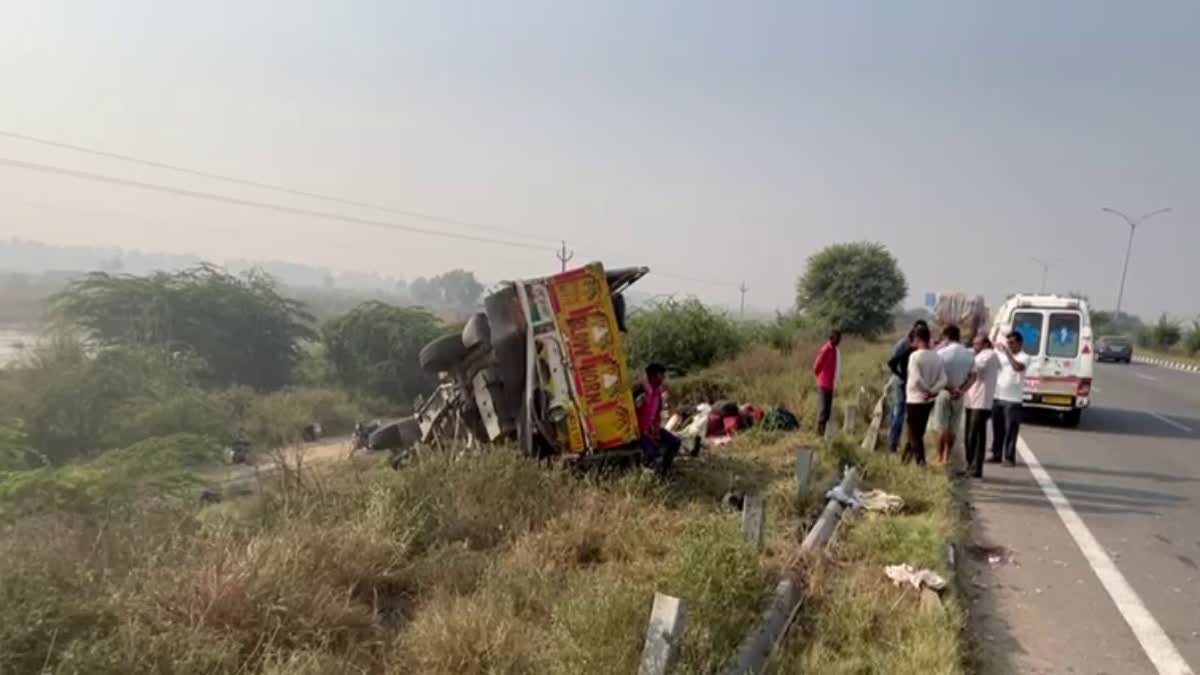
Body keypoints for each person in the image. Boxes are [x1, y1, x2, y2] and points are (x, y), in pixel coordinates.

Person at [931, 325, 976, 466]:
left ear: (946, 336)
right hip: (959, 394)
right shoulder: (969, 354)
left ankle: (939, 458)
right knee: (953, 428)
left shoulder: (942, 353)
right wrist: (962, 390)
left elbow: (936, 375)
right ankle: (947, 455)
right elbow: (973, 376)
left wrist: (949, 388)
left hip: (944, 392)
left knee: (941, 427)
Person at [903, 324, 946, 465]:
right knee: (917, 431)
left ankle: (921, 462)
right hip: (928, 401)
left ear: (917, 338)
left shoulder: (915, 356)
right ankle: (904, 459)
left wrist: (926, 389)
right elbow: (943, 379)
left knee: (915, 434)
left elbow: (915, 378)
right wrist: (932, 391)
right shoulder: (937, 357)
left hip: (915, 398)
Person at [887, 320, 928, 453]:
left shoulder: (918, 347)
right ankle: (894, 444)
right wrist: (901, 376)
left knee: (907, 415)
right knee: (899, 412)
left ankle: (906, 445)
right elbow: (893, 362)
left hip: (912, 383)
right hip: (903, 383)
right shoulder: (905, 345)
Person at [963, 336, 1001, 478]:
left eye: (977, 344)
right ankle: (970, 465)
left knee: (976, 436)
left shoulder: (989, 355)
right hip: (972, 400)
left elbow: (975, 368)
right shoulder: (979, 355)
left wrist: (964, 358)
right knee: (969, 435)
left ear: (986, 344)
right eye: (973, 344)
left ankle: (976, 467)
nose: (974, 346)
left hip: (981, 402)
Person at [991, 331, 1029, 467]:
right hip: (998, 396)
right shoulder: (1001, 356)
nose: (1010, 345)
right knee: (997, 429)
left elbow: (1017, 367)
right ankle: (996, 455)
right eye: (1008, 342)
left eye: (1012, 342)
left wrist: (1007, 353)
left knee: (1011, 431)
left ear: (1019, 343)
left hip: (1013, 400)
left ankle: (1009, 457)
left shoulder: (1024, 357)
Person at [636, 362, 681, 472]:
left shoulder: (658, 393)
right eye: (661, 375)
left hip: (653, 429)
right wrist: (647, 433)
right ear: (652, 377)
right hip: (640, 432)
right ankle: (653, 473)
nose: (663, 378)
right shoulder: (640, 392)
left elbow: (657, 415)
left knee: (675, 442)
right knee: (652, 454)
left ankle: (665, 470)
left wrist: (656, 431)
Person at [813, 329, 841, 437]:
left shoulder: (834, 350)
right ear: (832, 338)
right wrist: (820, 378)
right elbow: (816, 366)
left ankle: (824, 434)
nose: (839, 340)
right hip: (823, 383)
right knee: (823, 410)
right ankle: (819, 435)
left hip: (830, 384)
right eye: (838, 338)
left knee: (828, 411)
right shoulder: (826, 349)